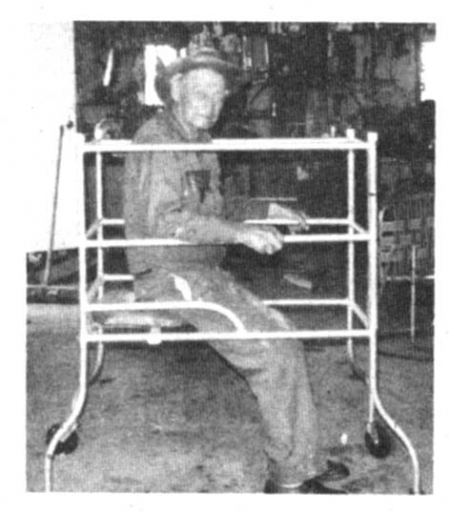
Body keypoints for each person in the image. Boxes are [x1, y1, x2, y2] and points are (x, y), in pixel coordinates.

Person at [123, 47, 349, 493]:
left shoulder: (200, 142)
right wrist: (240, 234)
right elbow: (167, 222)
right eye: (201, 94)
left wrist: (267, 209)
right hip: (170, 275)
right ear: (176, 90)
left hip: (202, 271)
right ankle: (289, 479)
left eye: (219, 97)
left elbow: (215, 208)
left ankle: (302, 458)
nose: (212, 106)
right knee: (272, 349)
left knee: (282, 336)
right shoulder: (159, 140)